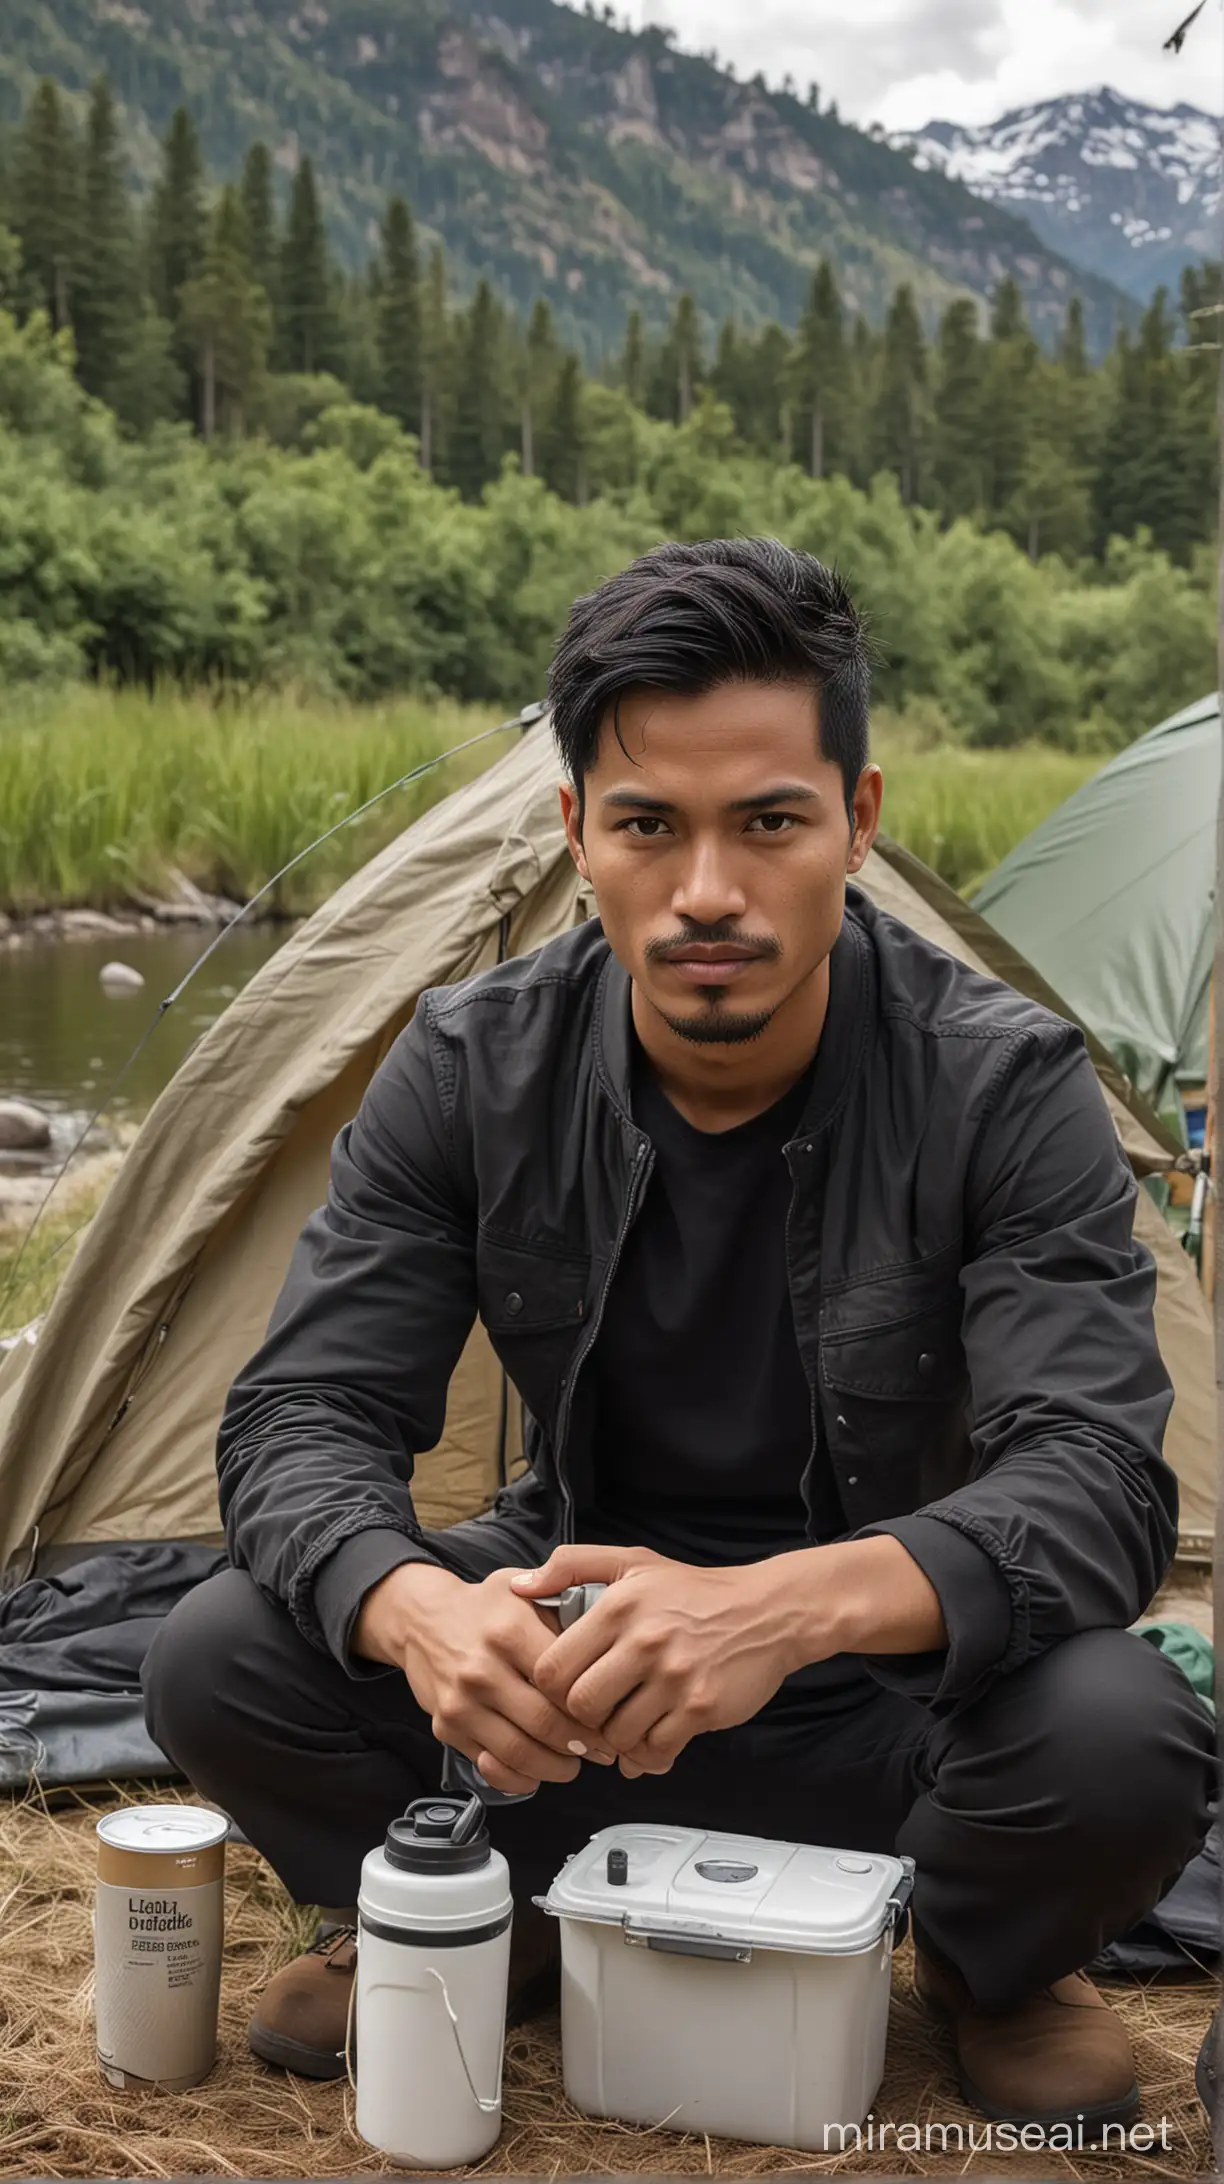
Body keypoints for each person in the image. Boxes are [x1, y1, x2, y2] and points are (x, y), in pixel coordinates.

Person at [144, 538, 1215, 2135]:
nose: (707, 891)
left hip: (884, 1687)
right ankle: (464, 1910)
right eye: (649, 825)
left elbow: (1100, 1481)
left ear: (857, 821)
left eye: (769, 822)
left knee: (1127, 1732)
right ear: (577, 833)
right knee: (219, 1653)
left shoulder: (1001, 1082)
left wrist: (779, 1613)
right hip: (566, 1677)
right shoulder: (470, 1066)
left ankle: (989, 1964)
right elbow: (299, 1414)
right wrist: (421, 1610)